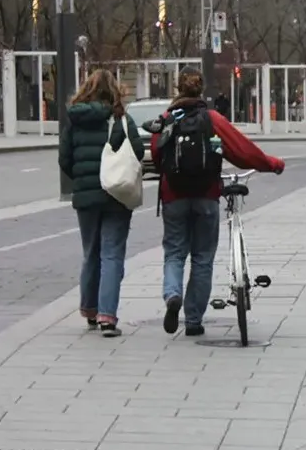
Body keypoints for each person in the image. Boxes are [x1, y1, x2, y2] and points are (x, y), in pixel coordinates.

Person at [151, 68, 285, 338]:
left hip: (174, 197)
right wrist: (271, 163)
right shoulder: (212, 119)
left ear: (177, 87)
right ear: (201, 89)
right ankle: (193, 320)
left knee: (175, 253)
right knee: (202, 258)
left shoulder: (166, 119)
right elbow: (241, 151)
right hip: (206, 195)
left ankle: (173, 295)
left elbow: (156, 155)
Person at [58, 68, 144, 338]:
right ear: (114, 91)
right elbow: (138, 151)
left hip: (86, 197)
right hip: (117, 195)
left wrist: (82, 179)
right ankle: (108, 317)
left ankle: (90, 310)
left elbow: (64, 158)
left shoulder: (74, 120)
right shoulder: (120, 119)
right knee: (112, 254)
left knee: (90, 252)